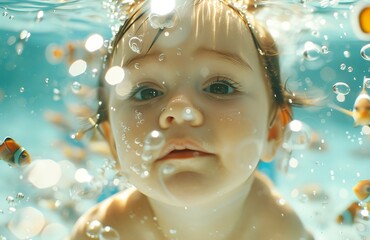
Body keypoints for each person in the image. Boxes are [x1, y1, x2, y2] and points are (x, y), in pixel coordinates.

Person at [70, 0, 313, 239]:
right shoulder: (104, 229)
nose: (180, 110)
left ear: (273, 132)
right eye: (146, 92)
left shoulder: (280, 230)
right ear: (114, 144)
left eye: (220, 87)